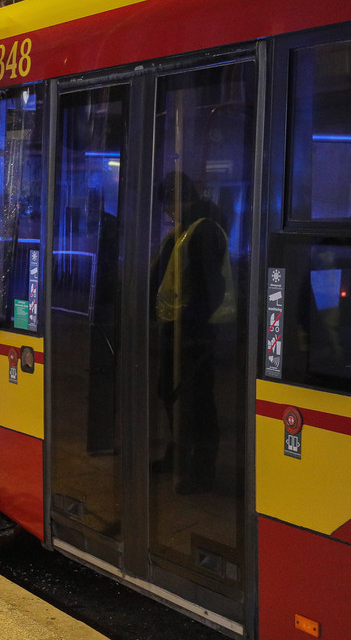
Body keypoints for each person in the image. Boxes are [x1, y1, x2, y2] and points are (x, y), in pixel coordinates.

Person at [151, 172, 232, 494]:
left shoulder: (203, 231)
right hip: (178, 329)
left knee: (197, 402)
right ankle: (180, 455)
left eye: (168, 204)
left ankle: (201, 469)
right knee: (171, 393)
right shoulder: (183, 232)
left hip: (196, 332)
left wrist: (190, 325)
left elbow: (210, 288)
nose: (167, 212)